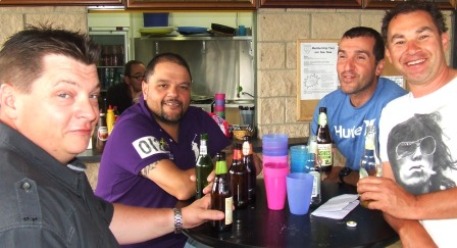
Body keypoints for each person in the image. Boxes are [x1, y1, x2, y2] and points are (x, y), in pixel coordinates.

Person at [0, 26, 224, 247]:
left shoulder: (50, 167)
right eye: (64, 94)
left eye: (93, 95)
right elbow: (182, 186)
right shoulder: (26, 217)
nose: (90, 112)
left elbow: (102, 219)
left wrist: (181, 217)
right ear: (10, 100)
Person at [95, 52, 232, 248]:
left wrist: (224, 164)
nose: (174, 94)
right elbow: (182, 187)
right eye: (163, 85)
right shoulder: (131, 127)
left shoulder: (196, 118)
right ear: (145, 88)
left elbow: (248, 159)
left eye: (183, 87)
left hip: (185, 235)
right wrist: (223, 167)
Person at [357, 2, 457, 247]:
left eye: (422, 36)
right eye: (400, 41)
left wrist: (412, 206)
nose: (412, 49)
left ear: (444, 40)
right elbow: (389, 193)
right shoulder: (393, 112)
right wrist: (408, 227)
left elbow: (403, 202)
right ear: (390, 54)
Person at [310, 26, 406, 186]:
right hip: (350, 195)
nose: (347, 67)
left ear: (379, 67)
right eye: (342, 56)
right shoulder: (328, 106)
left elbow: (395, 177)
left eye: (360, 58)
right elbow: (314, 161)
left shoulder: (397, 105)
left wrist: (344, 175)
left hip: (391, 199)